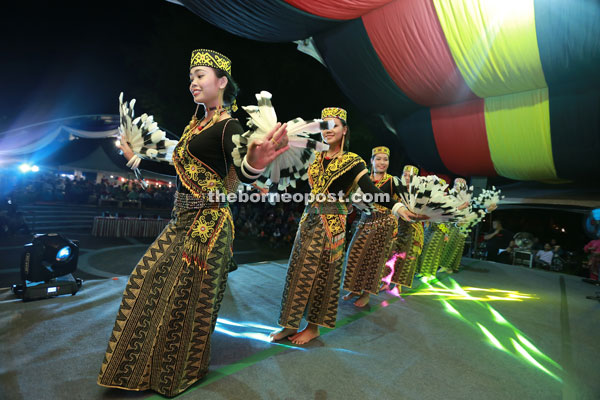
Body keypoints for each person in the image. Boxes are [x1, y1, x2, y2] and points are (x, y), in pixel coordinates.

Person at [97, 49, 290, 397]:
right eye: (191, 77)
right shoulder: (196, 124)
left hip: (208, 225)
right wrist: (134, 157)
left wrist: (256, 164)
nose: (193, 83)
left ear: (222, 81)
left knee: (187, 301)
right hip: (182, 218)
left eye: (200, 75)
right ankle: (141, 368)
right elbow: (177, 165)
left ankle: (177, 373)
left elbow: (242, 169)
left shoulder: (228, 126)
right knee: (146, 281)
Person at [270, 107, 418, 345]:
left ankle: (313, 327)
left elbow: (371, 190)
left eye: (334, 125)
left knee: (324, 276)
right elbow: (286, 168)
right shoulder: (313, 156)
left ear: (344, 130)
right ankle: (289, 325)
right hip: (308, 222)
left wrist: (398, 208)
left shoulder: (353, 161)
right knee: (296, 272)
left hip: (332, 227)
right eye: (324, 125)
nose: (328, 130)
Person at [342, 146, 400, 307]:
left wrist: (396, 225)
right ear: (372, 161)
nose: (382, 162)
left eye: (385, 159)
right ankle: (354, 288)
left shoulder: (392, 181)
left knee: (374, 260)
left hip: (384, 224)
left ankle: (366, 294)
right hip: (365, 221)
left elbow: (400, 204)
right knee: (354, 254)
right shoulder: (364, 178)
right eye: (378, 159)